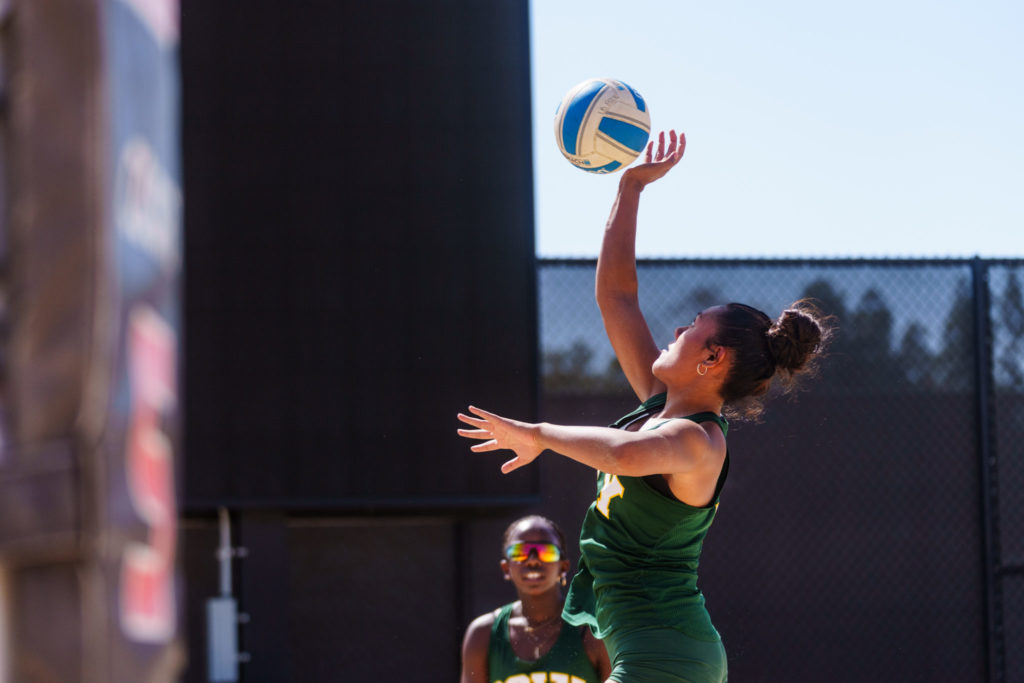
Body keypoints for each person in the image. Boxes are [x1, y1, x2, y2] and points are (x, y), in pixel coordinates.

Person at [457, 130, 833, 683]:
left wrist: (539, 434)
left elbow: (624, 456)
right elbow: (616, 296)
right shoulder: (659, 410)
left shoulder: (699, 440)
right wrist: (630, 188)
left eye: (692, 326)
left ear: (712, 357)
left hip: (666, 654)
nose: (676, 330)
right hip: (658, 650)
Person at [460, 515, 611, 683]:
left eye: (546, 552)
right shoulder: (483, 634)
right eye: (519, 552)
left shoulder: (593, 630)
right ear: (506, 568)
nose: (533, 561)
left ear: (563, 567)